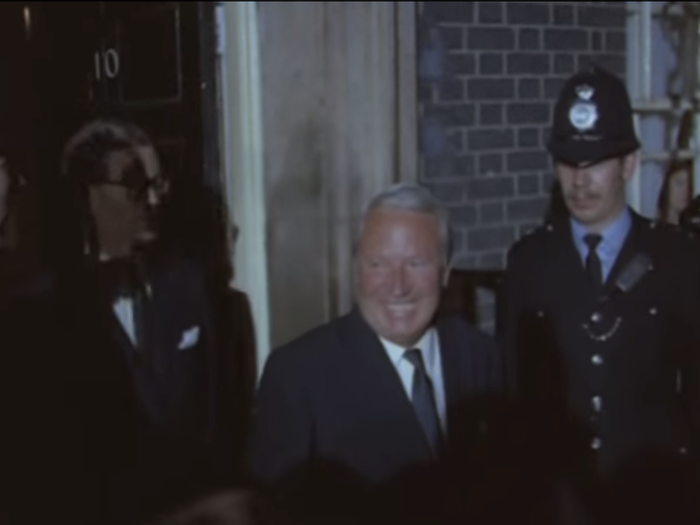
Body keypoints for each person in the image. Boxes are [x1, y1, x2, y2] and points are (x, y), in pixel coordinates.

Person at [500, 65, 700, 524]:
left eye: (595, 164)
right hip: (560, 504)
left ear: (628, 165)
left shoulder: (678, 260)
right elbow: (513, 394)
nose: (579, 181)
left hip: (656, 496)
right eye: (568, 163)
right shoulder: (528, 263)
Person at [13, 117, 234, 525]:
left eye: (156, 185)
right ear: (87, 195)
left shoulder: (187, 288)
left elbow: (213, 424)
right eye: (134, 185)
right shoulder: (37, 312)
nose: (152, 201)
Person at [250, 183, 510, 524]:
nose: (397, 285)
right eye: (378, 264)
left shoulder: (480, 356)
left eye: (416, 264)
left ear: (445, 272)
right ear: (356, 268)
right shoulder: (298, 374)